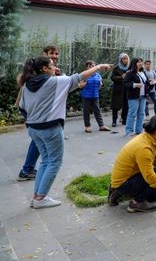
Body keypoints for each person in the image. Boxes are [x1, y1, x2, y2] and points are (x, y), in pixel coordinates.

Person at [19, 56, 112, 208]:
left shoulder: (26, 85)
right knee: (54, 162)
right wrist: (99, 66)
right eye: (52, 64)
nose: (55, 66)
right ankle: (40, 198)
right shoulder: (54, 82)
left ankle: (37, 196)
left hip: (33, 129)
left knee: (46, 160)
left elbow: (22, 108)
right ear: (44, 68)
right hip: (50, 128)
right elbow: (79, 77)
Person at [108, 115, 156, 213]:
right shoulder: (144, 148)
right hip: (124, 183)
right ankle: (136, 203)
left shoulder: (149, 138)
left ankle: (116, 191)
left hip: (126, 179)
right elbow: (149, 177)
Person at [18, 46, 62, 181]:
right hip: (35, 113)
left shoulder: (45, 69)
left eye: (56, 53)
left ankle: (28, 168)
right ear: (44, 54)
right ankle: (27, 169)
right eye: (51, 53)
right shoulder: (39, 70)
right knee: (38, 142)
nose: (54, 56)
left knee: (37, 141)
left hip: (35, 112)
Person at [79, 60, 110, 133]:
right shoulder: (85, 75)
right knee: (86, 111)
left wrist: (100, 85)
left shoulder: (98, 75)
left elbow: (99, 86)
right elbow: (80, 86)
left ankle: (101, 126)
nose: (91, 67)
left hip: (95, 96)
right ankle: (87, 126)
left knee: (97, 111)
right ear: (87, 67)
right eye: (89, 66)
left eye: (93, 65)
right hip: (86, 96)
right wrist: (85, 83)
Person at [124, 58, 149, 138]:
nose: (140, 63)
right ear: (134, 63)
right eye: (138, 62)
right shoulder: (130, 73)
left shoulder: (142, 72)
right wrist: (134, 85)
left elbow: (145, 82)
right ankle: (129, 131)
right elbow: (125, 83)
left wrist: (151, 82)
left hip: (143, 95)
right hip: (133, 96)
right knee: (132, 113)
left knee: (141, 113)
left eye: (141, 62)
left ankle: (139, 130)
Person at [111, 53, 129, 127]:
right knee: (115, 105)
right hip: (118, 89)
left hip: (126, 89)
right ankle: (114, 120)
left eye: (126, 58)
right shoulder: (116, 68)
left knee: (126, 105)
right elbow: (112, 77)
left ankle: (124, 119)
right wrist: (121, 77)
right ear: (120, 59)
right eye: (123, 58)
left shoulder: (129, 68)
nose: (125, 60)